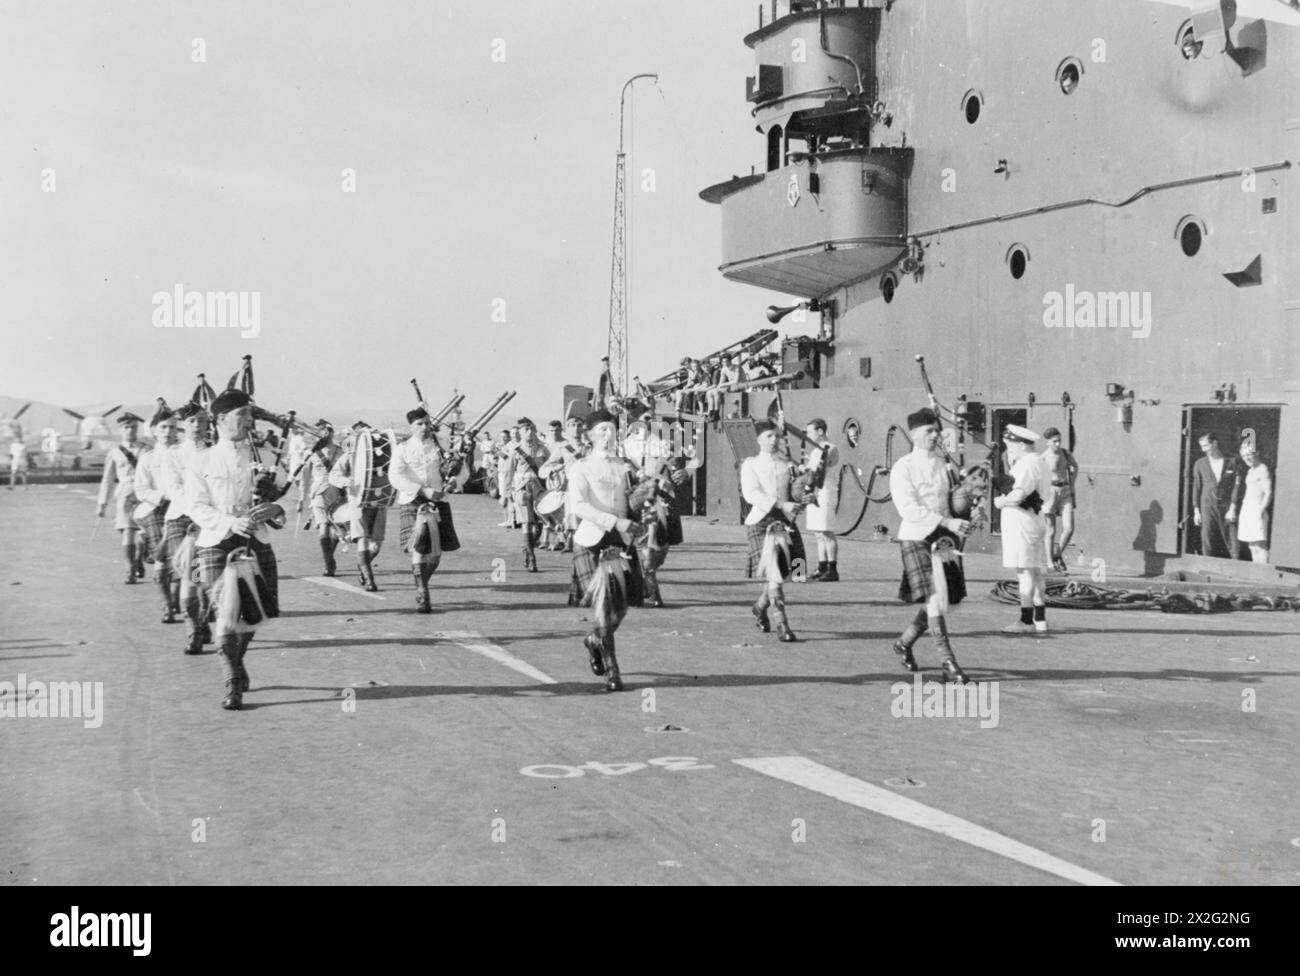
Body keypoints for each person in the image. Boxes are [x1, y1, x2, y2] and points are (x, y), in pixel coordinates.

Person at [185, 389, 286, 710]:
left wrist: (275, 511)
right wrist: (231, 523)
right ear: (221, 420)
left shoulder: (263, 457)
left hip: (257, 541)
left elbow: (283, 502)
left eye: (249, 415)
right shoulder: (202, 460)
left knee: (255, 613)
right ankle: (232, 680)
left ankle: (236, 661)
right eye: (241, 415)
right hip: (218, 541)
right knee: (226, 615)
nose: (248, 421)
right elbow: (196, 506)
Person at [888, 408, 972, 681]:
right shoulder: (904, 467)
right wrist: (947, 523)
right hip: (916, 537)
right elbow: (908, 509)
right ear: (913, 435)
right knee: (936, 599)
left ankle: (904, 643)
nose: (936, 435)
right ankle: (948, 663)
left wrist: (966, 512)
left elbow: (952, 502)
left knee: (940, 600)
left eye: (937, 430)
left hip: (943, 538)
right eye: (929, 431)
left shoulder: (942, 466)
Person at [567, 409, 647, 691]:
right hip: (592, 539)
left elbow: (636, 499)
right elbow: (578, 505)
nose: (608, 435)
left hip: (622, 540)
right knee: (603, 605)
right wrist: (615, 521)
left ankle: (594, 640)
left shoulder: (625, 465)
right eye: (601, 430)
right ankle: (613, 671)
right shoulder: (581, 467)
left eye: (612, 429)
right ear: (589, 436)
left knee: (621, 606)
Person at [389, 407, 461, 612]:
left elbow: (460, 469)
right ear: (411, 426)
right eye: (419, 424)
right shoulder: (402, 448)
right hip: (413, 500)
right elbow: (395, 477)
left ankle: (422, 584)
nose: (424, 427)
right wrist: (422, 490)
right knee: (419, 548)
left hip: (440, 500)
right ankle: (423, 593)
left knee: (436, 555)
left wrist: (455, 481)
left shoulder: (440, 446)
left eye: (426, 423)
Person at [741, 420, 807, 642]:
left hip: (786, 523)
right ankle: (782, 624)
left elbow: (795, 494)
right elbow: (751, 494)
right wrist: (781, 504)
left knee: (790, 573)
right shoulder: (750, 464)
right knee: (775, 576)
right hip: (761, 522)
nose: (774, 440)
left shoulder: (787, 464)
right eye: (769, 435)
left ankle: (759, 607)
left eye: (777, 436)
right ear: (759, 439)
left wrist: (805, 498)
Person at [161, 402, 212, 654]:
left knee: (202, 579)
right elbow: (173, 488)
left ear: (208, 424)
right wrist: (196, 512)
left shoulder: (214, 453)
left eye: (201, 420)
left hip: (208, 521)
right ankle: (193, 630)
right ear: (184, 424)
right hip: (181, 519)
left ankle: (202, 620)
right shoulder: (173, 454)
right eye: (191, 421)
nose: (196, 426)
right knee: (188, 576)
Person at [994, 424, 1054, 635]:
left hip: (1022, 524)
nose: (1009, 449)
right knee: (1035, 571)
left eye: (1011, 445)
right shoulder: (1040, 462)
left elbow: (1018, 495)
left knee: (1025, 572)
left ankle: (1025, 620)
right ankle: (1040, 619)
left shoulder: (1027, 464)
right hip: (1035, 520)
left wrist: (1000, 502)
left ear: (1021, 444)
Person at [625, 419, 687, 607]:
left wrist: (681, 469)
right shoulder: (625, 446)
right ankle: (653, 592)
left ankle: (646, 579)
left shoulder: (662, 444)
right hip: (642, 500)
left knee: (662, 546)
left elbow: (679, 464)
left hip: (665, 501)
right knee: (648, 547)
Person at [133, 404, 182, 622]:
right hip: (157, 509)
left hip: (182, 509)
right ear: (153, 430)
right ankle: (167, 605)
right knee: (162, 559)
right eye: (163, 427)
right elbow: (141, 490)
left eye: (172, 427)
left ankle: (176, 597)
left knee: (184, 559)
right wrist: (161, 496)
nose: (168, 432)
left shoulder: (185, 455)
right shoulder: (147, 458)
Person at [329, 422, 391, 591]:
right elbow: (334, 475)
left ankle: (363, 565)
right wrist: (346, 482)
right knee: (363, 538)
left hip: (378, 503)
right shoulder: (349, 455)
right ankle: (369, 579)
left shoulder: (382, 455)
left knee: (376, 545)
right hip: (357, 501)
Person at [97, 412, 147, 583]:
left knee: (145, 534)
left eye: (134, 427)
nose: (131, 430)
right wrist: (102, 503)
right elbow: (108, 479)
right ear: (121, 429)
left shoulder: (146, 449)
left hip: (144, 494)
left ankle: (139, 558)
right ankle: (130, 570)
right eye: (127, 427)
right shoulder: (115, 452)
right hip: (125, 494)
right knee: (128, 531)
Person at [503, 417, 551, 571]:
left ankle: (527, 547)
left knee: (542, 522)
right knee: (526, 523)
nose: (529, 432)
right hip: (521, 488)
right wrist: (505, 494)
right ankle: (531, 557)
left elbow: (549, 467)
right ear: (521, 433)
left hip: (539, 488)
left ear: (536, 430)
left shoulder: (543, 449)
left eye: (531, 429)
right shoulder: (515, 450)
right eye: (525, 430)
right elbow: (508, 472)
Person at [539, 415, 589, 553]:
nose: (576, 429)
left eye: (579, 425)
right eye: (572, 425)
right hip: (571, 486)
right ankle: (570, 541)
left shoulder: (589, 447)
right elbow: (543, 469)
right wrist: (555, 469)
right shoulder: (563, 448)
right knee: (572, 512)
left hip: (589, 486)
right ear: (567, 429)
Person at [800, 418, 841, 582]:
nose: (808, 435)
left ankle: (833, 569)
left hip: (825, 492)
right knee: (818, 532)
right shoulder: (816, 450)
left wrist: (804, 468)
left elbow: (817, 472)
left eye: (810, 431)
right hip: (814, 493)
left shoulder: (830, 448)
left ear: (820, 431)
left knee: (826, 531)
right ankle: (822, 567)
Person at [1191, 433, 1241, 559]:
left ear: (1215, 443)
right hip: (1207, 505)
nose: (1203, 449)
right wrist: (1197, 510)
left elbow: (1237, 486)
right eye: (1201, 446)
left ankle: (1235, 567)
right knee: (1208, 538)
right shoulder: (1200, 464)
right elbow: (1196, 487)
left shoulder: (1231, 461)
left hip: (1227, 506)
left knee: (1232, 539)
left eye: (1206, 445)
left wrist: (1233, 507)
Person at [1039, 426, 1079, 572]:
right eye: (1055, 441)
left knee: (1069, 529)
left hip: (1066, 491)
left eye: (1059, 441)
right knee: (1051, 530)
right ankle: (1050, 562)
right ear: (1047, 442)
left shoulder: (1065, 453)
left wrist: (1072, 483)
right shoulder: (1042, 458)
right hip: (1050, 493)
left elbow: (1075, 466)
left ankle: (1057, 554)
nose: (1058, 444)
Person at [306, 429, 344, 576]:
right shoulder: (314, 453)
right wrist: (303, 497)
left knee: (333, 528)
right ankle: (329, 563)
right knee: (325, 525)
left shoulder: (338, 451)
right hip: (321, 493)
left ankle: (329, 560)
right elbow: (306, 476)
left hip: (334, 491)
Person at [1233, 441, 1272, 563]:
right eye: (1244, 456)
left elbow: (1269, 492)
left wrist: (1260, 510)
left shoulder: (1262, 469)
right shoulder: (1250, 471)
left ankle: (1264, 575)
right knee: (1252, 546)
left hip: (1257, 509)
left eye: (1249, 454)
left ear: (1257, 453)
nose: (1246, 458)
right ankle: (1258, 573)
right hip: (1247, 510)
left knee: (1260, 545)